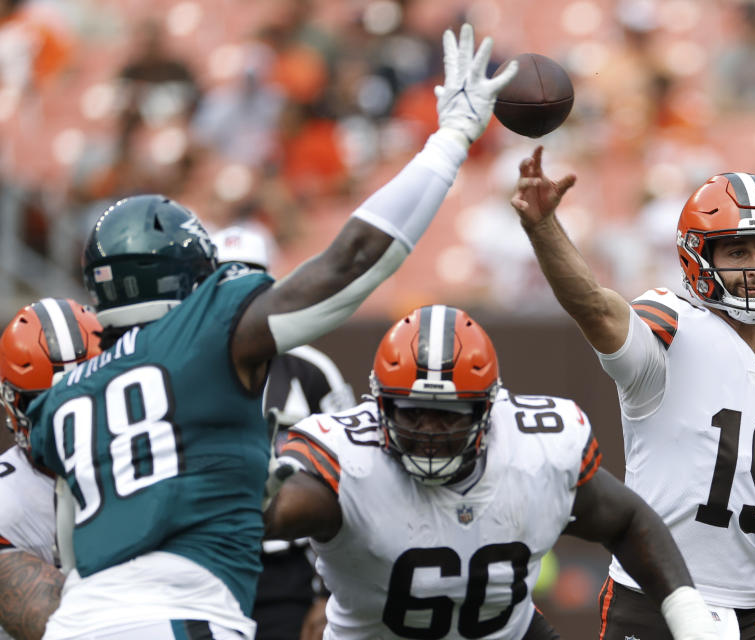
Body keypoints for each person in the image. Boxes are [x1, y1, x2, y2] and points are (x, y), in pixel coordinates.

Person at [23, 24, 518, 640]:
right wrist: (449, 142)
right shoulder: (204, 331)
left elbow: (72, 552)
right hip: (178, 619)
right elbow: (351, 260)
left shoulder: (66, 396)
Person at [510, 147, 755, 639]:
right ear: (697, 257)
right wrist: (544, 229)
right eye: (737, 251)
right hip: (652, 599)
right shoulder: (671, 329)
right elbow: (595, 308)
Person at [263, 304, 717, 640]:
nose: (430, 433)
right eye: (413, 412)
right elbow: (280, 509)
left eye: (449, 415)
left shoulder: (535, 450)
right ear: (380, 407)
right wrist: (260, 497)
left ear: (489, 410)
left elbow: (627, 520)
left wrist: (689, 616)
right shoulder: (350, 461)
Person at [212, 224, 354, 640]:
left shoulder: (312, 369)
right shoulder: (182, 368)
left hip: (289, 574)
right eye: (223, 279)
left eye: (249, 278)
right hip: (208, 563)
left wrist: (329, 594)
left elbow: (353, 479)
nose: (236, 295)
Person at [0, 298, 102, 640]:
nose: (68, 417)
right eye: (46, 403)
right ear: (11, 402)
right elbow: (60, 629)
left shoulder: (144, 458)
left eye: (84, 398)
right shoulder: (7, 501)